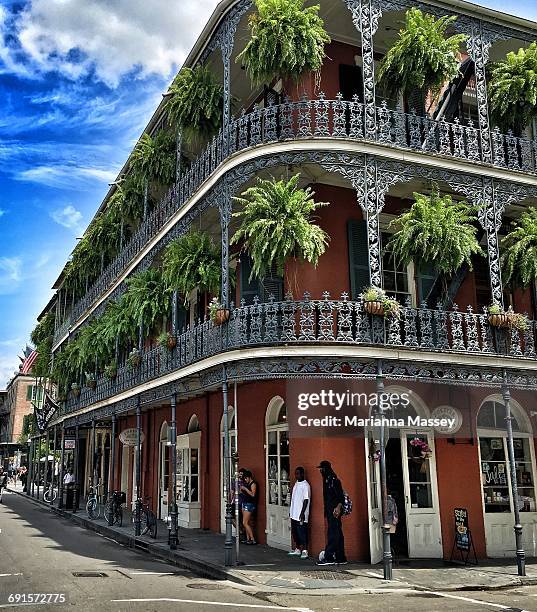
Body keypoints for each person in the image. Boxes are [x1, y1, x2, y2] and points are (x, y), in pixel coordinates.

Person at [317, 460, 347, 565]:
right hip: (331, 511)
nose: (320, 471)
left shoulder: (334, 481)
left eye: (322, 469)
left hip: (334, 511)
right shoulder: (327, 480)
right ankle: (341, 557)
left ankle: (329, 557)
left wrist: (338, 508)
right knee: (337, 533)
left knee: (333, 534)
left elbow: (340, 497)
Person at [288, 467, 310, 559]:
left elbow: (306, 500)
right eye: (295, 474)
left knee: (302, 532)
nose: (296, 475)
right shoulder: (296, 484)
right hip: (294, 513)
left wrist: (302, 513)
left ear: (302, 474)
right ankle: (297, 549)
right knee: (295, 532)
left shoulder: (305, 485)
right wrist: (291, 511)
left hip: (301, 514)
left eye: (298, 474)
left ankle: (305, 550)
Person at [240, 470, 258, 545]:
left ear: (249, 477)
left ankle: (253, 539)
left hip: (250, 504)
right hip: (245, 502)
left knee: (245, 523)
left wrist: (245, 489)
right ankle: (248, 539)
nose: (245, 480)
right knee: (246, 522)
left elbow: (253, 494)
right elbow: (246, 494)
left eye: (246, 478)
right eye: (244, 478)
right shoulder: (247, 483)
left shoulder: (253, 484)